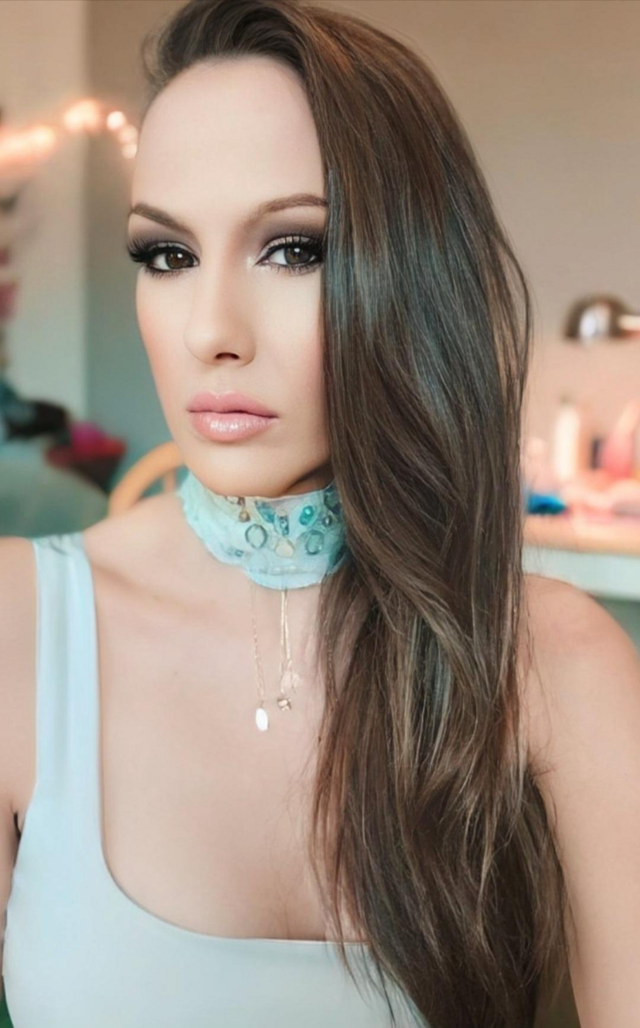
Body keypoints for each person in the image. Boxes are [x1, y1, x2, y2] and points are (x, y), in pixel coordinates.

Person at [1, 1, 640, 1026]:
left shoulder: (559, 665)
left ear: (412, 273)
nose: (211, 330)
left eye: (294, 249)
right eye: (167, 255)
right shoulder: (18, 626)